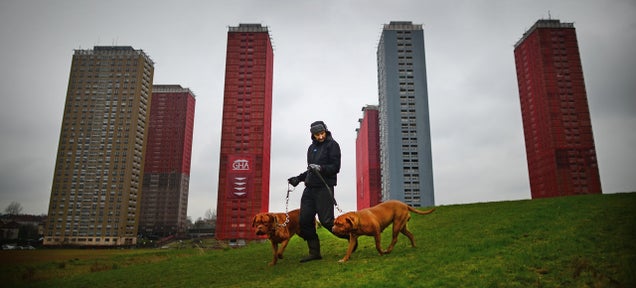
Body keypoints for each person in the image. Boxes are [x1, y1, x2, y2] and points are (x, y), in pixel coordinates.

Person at [288, 120, 341, 263]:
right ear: (313, 135)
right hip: (310, 189)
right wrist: (298, 179)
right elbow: (311, 170)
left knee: (327, 221)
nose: (320, 136)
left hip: (324, 187)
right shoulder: (311, 148)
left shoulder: (333, 146)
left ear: (326, 131)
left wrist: (321, 168)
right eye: (317, 134)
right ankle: (314, 252)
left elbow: (335, 167)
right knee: (304, 221)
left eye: (322, 133)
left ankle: (351, 238)